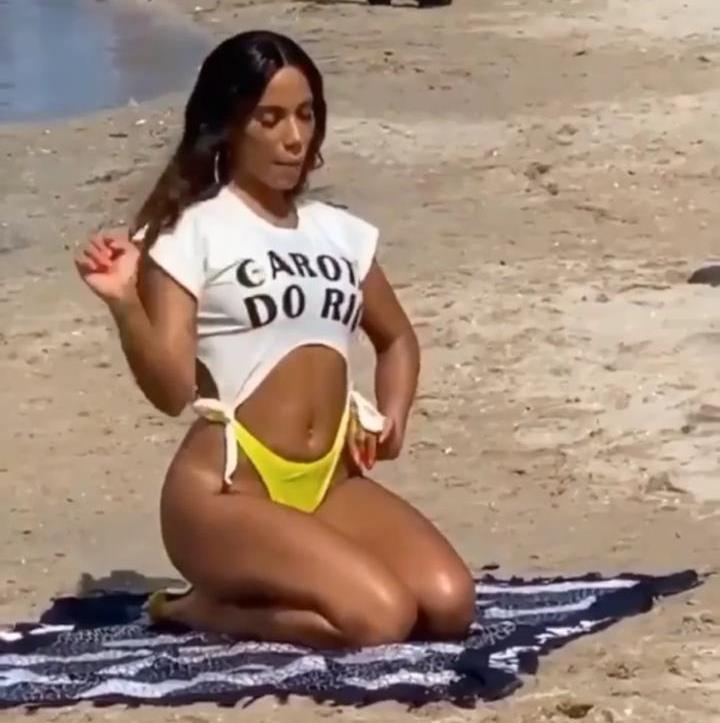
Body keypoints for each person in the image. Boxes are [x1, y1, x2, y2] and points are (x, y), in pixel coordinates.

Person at [74, 30, 474, 649]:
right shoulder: (192, 232)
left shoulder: (339, 233)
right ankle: (197, 609)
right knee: (380, 618)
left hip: (329, 483)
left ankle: (291, 577)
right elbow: (172, 391)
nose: (294, 137)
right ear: (230, 126)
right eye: (271, 118)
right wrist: (126, 306)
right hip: (226, 489)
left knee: (450, 605)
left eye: (306, 115)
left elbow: (397, 339)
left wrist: (393, 418)